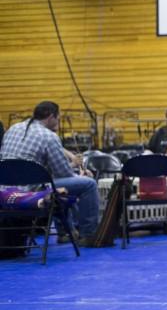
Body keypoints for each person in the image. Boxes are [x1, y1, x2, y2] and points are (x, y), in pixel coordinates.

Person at [0, 101, 100, 244]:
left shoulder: (12, 128)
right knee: (88, 184)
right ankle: (89, 235)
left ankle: (65, 232)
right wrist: (80, 174)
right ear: (51, 117)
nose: (58, 122)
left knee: (53, 183)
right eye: (58, 118)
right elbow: (63, 173)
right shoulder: (49, 136)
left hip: (4, 190)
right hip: (32, 191)